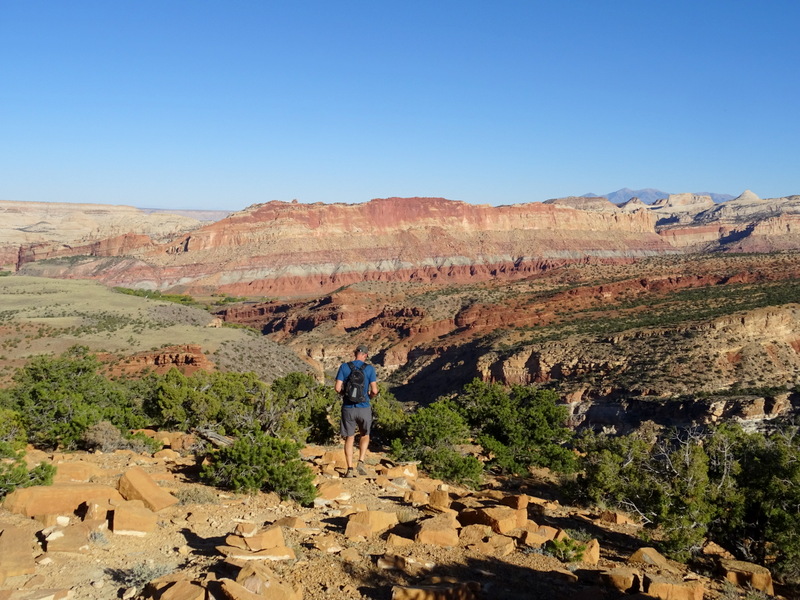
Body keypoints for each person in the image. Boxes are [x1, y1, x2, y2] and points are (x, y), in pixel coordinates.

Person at [335, 344, 378, 478]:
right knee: (365, 434)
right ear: (365, 355)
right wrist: (369, 397)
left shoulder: (344, 367)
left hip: (348, 408)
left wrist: (345, 396)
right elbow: (375, 390)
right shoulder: (370, 369)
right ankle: (361, 461)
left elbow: (337, 388)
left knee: (349, 437)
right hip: (364, 407)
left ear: (355, 354)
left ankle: (350, 469)